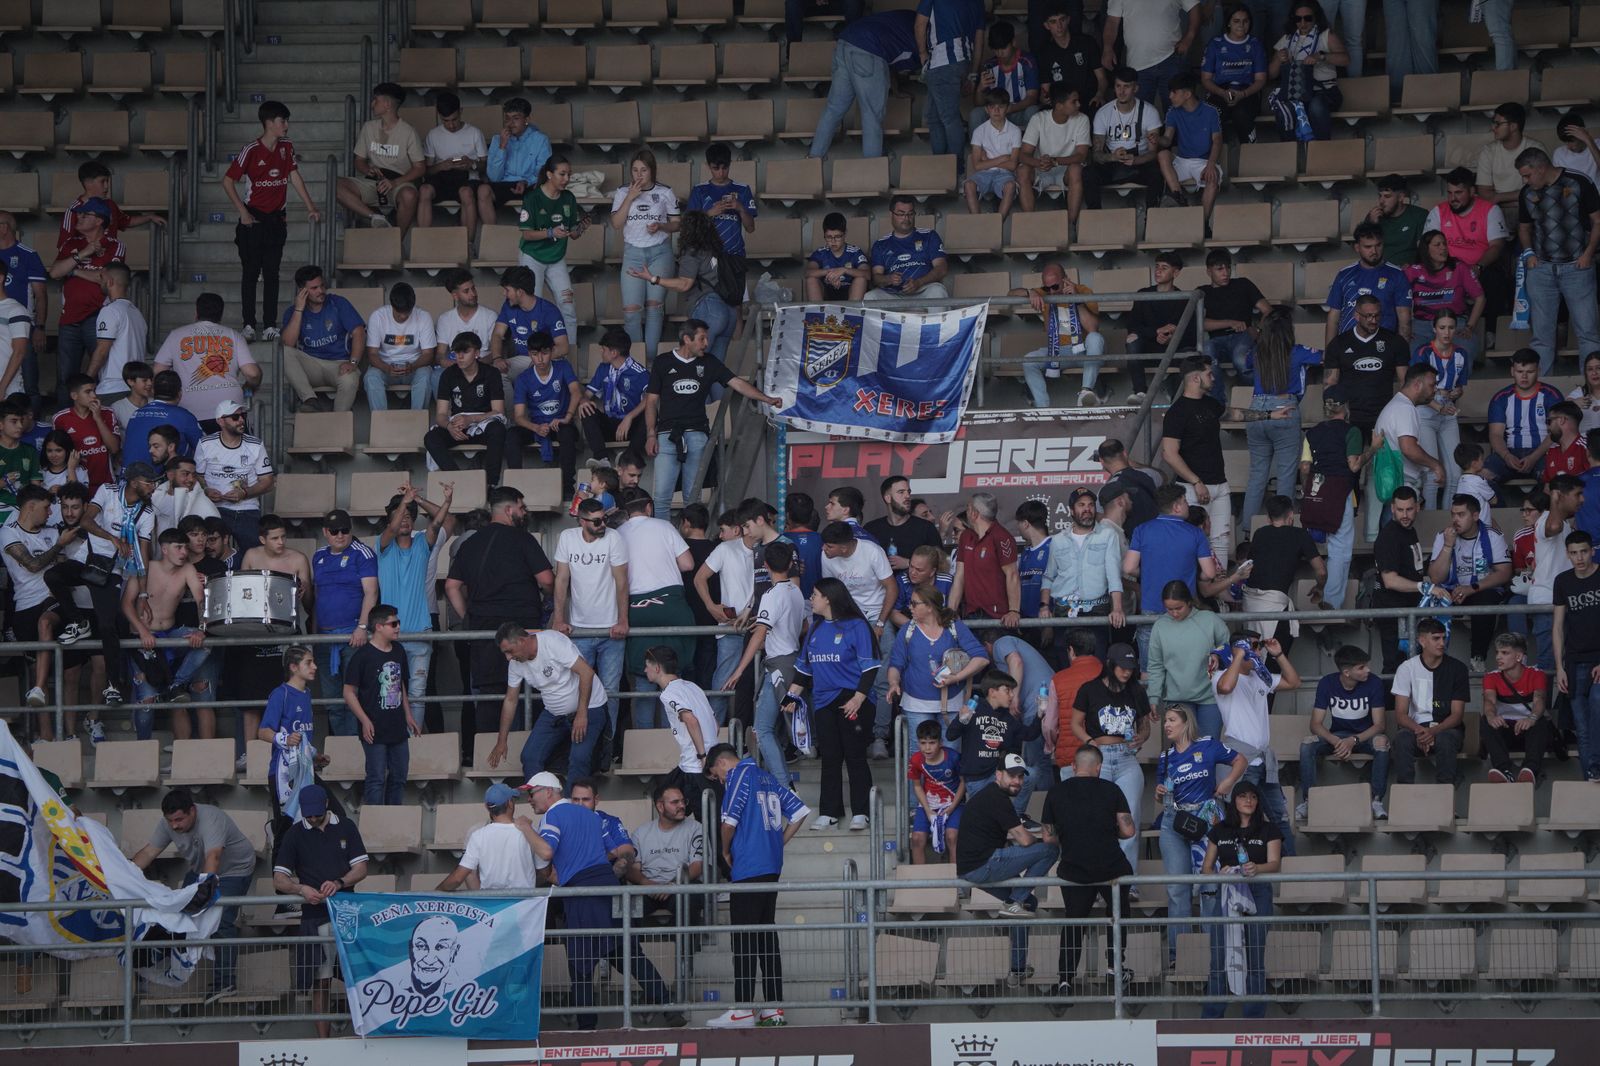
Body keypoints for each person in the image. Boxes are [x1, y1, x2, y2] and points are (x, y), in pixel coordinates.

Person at [518, 771, 682, 1029]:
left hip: (583, 895)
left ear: (548, 792)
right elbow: (611, 852)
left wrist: (525, 827)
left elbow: (547, 851)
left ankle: (586, 1028)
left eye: (532, 792)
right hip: (608, 886)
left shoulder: (552, 816)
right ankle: (670, 1008)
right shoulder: (591, 816)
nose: (529, 799)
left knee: (580, 965)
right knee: (628, 954)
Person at [704, 744, 809, 1029]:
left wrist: (725, 852)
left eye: (718, 775)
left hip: (748, 866)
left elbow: (728, 822)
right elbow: (799, 812)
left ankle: (743, 1009)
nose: (721, 780)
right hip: (771, 865)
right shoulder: (767, 776)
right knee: (765, 935)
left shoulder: (739, 775)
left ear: (723, 764)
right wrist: (778, 843)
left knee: (745, 939)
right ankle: (774, 1008)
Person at [1162, 356, 1292, 569]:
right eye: (1208, 374)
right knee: (1192, 542)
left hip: (1220, 484)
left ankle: (1218, 593)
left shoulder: (1210, 403)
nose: (1213, 378)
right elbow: (1169, 453)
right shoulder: (1177, 412)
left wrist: (1270, 414)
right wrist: (1196, 481)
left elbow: (1234, 414)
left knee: (1221, 542)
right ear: (1195, 378)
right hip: (1191, 488)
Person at [445, 485, 554, 737]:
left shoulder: (470, 544)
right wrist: (549, 601)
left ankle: (490, 762)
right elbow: (547, 580)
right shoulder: (524, 539)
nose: (525, 512)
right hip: (522, 630)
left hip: (485, 632)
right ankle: (527, 757)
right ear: (509, 509)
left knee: (490, 697)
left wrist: (470, 618)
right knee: (529, 692)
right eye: (522, 507)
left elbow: (452, 587)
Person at [645, 319, 781, 518]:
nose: (706, 344)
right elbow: (651, 401)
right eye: (702, 339)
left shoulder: (709, 362)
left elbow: (737, 383)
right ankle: (664, 544)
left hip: (697, 434)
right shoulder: (663, 362)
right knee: (662, 497)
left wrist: (766, 399)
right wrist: (650, 434)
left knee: (693, 498)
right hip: (667, 435)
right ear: (686, 339)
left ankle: (692, 542)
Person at [129, 790, 254, 1001]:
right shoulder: (167, 824)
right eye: (170, 821)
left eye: (179, 819)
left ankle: (225, 983)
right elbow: (149, 852)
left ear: (193, 811)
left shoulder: (212, 818)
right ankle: (164, 971)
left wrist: (205, 890)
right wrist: (125, 875)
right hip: (200, 870)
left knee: (221, 920)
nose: (175, 826)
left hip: (235, 870)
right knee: (174, 917)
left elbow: (213, 856)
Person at [271, 784, 368, 1037]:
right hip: (314, 916)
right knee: (320, 981)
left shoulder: (347, 826)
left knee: (357, 977)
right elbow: (279, 879)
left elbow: (361, 868)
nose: (312, 819)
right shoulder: (294, 834)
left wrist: (339, 882)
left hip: (347, 912)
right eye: (308, 814)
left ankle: (366, 1031)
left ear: (326, 804)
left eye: (316, 813)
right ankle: (323, 1041)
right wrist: (301, 888)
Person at [957, 753, 1060, 983]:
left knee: (1029, 903)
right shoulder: (997, 797)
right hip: (983, 864)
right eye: (1012, 776)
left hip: (972, 867)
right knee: (1051, 850)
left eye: (1021, 777)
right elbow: (1024, 841)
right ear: (998, 775)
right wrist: (1041, 837)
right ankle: (1014, 903)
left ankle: (1017, 970)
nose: (1017, 781)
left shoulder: (994, 796)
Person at [1044, 744, 1138, 995]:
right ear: (1099, 768)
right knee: (1118, 915)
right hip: (1112, 868)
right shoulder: (1112, 789)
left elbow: (1048, 838)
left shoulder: (1056, 792)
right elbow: (1129, 831)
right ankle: (1114, 967)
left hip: (1075, 869)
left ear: (1074, 766)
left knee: (1074, 922)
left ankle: (1065, 980)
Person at [1155, 704, 1245, 967]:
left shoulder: (1207, 744)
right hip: (1175, 821)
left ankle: (1213, 953)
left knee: (1209, 886)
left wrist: (1227, 783)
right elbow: (1159, 796)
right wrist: (1159, 793)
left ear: (1186, 723)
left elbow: (1240, 760)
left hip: (1207, 818)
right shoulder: (1166, 756)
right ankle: (1178, 956)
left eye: (1172, 720)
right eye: (1165, 721)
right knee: (1177, 890)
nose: (1166, 725)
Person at [222, 100, 320, 341]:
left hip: (277, 220)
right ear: (269, 123)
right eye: (282, 121)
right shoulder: (251, 150)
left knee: (272, 274)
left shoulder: (286, 147)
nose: (286, 125)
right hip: (253, 219)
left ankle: (269, 325)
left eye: (286, 121)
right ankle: (248, 324)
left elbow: (294, 176)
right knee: (250, 273)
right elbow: (227, 181)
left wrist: (311, 207)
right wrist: (243, 212)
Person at [789, 577, 879, 830]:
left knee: (855, 755)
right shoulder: (816, 629)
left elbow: (870, 667)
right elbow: (803, 672)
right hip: (823, 702)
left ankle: (862, 811)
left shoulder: (857, 626)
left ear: (828, 597)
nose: (811, 599)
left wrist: (858, 698)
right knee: (830, 757)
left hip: (853, 699)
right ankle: (829, 811)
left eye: (815, 594)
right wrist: (790, 697)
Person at [1198, 781, 1281, 1019]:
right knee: (1218, 958)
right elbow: (1206, 868)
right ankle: (1211, 1019)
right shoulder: (1220, 829)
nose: (1248, 801)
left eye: (1253, 797)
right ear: (1234, 801)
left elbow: (1275, 864)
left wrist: (1257, 868)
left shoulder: (1269, 829)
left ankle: (1253, 1019)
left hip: (1257, 891)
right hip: (1226, 895)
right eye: (1243, 796)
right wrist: (1219, 874)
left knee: (1255, 957)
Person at [552, 495, 630, 746]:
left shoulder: (614, 539)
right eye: (597, 521)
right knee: (576, 692)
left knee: (611, 693)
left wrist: (622, 620)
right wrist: (559, 619)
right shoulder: (567, 538)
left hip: (610, 631)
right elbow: (561, 580)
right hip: (579, 629)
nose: (602, 525)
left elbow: (621, 583)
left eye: (604, 519)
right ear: (582, 521)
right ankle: (577, 746)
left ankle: (606, 748)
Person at [615, 489, 697, 727]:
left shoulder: (618, 534)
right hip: (670, 603)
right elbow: (688, 563)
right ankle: (672, 740)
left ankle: (644, 741)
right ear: (649, 508)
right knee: (671, 676)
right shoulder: (664, 527)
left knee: (643, 680)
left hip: (635, 606)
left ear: (625, 512)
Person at [488, 624, 609, 784]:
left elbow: (587, 672)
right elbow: (510, 700)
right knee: (530, 757)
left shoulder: (552, 642)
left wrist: (581, 714)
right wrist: (501, 741)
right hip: (553, 712)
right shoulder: (515, 664)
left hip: (589, 707)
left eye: (509, 651)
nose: (508, 658)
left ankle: (568, 807)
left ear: (522, 640)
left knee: (578, 759)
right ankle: (542, 803)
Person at [1517, 147, 1600, 376]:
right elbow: (1524, 228)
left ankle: (1592, 390)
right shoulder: (1526, 193)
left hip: (1577, 266)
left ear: (1541, 168)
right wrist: (1529, 254)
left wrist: (1588, 254)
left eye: (1527, 175)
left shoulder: (1578, 182)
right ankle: (1539, 393)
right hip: (1542, 268)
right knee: (1541, 337)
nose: (1524, 180)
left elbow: (1598, 221)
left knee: (1588, 333)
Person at [1069, 642, 1149, 873]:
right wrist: (1090, 742)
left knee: (1129, 817)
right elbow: (1075, 723)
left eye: (1131, 667)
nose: (1127, 671)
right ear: (1110, 665)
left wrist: (1141, 738)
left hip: (1126, 755)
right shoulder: (1090, 689)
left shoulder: (1136, 690)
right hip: (1098, 756)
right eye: (1122, 667)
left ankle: (1126, 878)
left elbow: (1145, 727)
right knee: (1095, 817)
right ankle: (1096, 875)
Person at [1238, 306, 1320, 531]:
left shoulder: (1256, 353)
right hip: (1284, 409)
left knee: (1257, 475)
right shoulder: (1297, 351)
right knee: (1285, 474)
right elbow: (1323, 358)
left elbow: (1244, 362)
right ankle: (1283, 530)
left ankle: (1248, 530)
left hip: (1256, 410)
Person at [122, 529, 210, 735]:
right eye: (178, 547)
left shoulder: (188, 569)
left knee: (206, 644)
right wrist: (143, 632)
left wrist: (201, 629)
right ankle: (143, 749)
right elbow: (126, 604)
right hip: (141, 637)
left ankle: (175, 685)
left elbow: (201, 601)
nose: (183, 552)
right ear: (164, 549)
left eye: (185, 547)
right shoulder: (146, 568)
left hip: (169, 634)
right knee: (147, 699)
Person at [376, 485, 451, 721]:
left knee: (418, 694)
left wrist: (421, 499)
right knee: (391, 694)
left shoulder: (422, 544)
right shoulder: (383, 546)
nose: (405, 520)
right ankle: (396, 744)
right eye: (401, 516)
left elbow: (441, 521)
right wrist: (404, 503)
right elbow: (392, 527)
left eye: (410, 516)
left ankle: (413, 742)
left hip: (420, 632)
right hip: (390, 634)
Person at [1124, 486, 1219, 662]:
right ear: (1176, 506)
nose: (1187, 506)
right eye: (1185, 502)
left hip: (1150, 608)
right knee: (1184, 666)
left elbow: (1129, 568)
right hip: (1183, 610)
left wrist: (1150, 572)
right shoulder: (1195, 533)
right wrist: (1195, 575)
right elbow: (1209, 573)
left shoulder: (1142, 530)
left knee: (1149, 671)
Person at [808, 9, 918, 160]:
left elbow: (888, 60)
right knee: (872, 114)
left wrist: (896, 89)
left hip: (844, 42)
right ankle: (872, 174)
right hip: (868, 49)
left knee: (833, 108)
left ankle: (813, 160)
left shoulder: (908, 18)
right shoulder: (925, 35)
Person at [633, 210, 740, 364]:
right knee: (716, 371)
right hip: (729, 311)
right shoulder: (717, 251)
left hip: (709, 308)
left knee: (693, 366)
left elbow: (684, 284)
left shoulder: (692, 252)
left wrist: (654, 278)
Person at [1297, 644, 1389, 820]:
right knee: (1307, 744)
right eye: (1361, 667)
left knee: (1382, 743)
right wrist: (1335, 741)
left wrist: (1353, 740)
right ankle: (1309, 801)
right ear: (1347, 672)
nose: (1368, 670)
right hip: (1338, 736)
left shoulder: (1374, 682)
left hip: (1365, 736)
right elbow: (1315, 724)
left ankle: (1376, 801)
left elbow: (1379, 725)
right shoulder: (1327, 683)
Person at [48, 199, 126, 406]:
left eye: (85, 214)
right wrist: (83, 254)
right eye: (79, 214)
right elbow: (55, 272)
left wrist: (73, 270)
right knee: (65, 376)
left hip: (98, 317)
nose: (79, 218)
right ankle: (65, 421)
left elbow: (108, 278)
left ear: (100, 220)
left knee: (99, 374)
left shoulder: (114, 245)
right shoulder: (71, 243)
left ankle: (98, 419)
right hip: (69, 318)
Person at [1427, 494, 1512, 671]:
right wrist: (1448, 547)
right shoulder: (1444, 536)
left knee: (1486, 600)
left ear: (1475, 516)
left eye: (1461, 514)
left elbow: (1504, 573)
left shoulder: (1492, 536)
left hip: (1479, 590)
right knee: (1432, 600)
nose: (1455, 519)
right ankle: (1433, 663)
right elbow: (1436, 578)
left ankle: (1477, 658)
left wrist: (1471, 588)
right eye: (1453, 514)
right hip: (1450, 590)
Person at [342, 603, 416, 804]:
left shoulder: (399, 650)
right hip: (373, 728)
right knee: (376, 779)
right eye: (393, 624)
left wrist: (408, 715)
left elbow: (401, 684)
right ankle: (374, 826)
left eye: (398, 623)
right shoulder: (362, 656)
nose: (398, 627)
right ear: (379, 627)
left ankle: (392, 822)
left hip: (398, 726)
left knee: (399, 777)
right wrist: (365, 721)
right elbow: (348, 692)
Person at [257, 645, 328, 853]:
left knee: (331, 812)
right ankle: (280, 881)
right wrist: (285, 738)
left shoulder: (306, 694)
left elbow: (302, 738)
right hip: (283, 772)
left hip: (305, 770)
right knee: (286, 829)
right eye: (309, 662)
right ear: (294, 667)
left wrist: (316, 756)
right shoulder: (281, 694)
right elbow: (263, 732)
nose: (314, 666)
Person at [1039, 488, 1124, 658]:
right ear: (1071, 510)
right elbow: (1049, 577)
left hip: (1097, 611)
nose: (1087, 509)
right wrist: (1044, 607)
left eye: (1091, 505)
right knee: (1065, 667)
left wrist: (1118, 609)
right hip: (1064, 612)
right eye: (1081, 505)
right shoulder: (1057, 540)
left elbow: (1114, 575)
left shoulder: (1108, 535)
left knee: (1096, 664)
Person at [153, 295, 261, 428]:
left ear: (196, 313)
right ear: (221, 315)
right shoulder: (233, 335)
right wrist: (249, 387)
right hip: (229, 410)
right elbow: (253, 374)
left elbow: (158, 371)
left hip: (189, 408)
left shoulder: (176, 335)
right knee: (232, 448)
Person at [611, 149, 679, 359]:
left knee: (654, 308)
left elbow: (676, 225)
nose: (639, 175)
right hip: (632, 252)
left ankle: (650, 361)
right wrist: (630, 197)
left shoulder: (665, 192)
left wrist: (660, 226)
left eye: (644, 170)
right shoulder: (623, 191)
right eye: (635, 170)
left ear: (652, 171)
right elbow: (615, 223)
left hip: (659, 251)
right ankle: (636, 361)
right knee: (631, 311)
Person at [1009, 262, 1104, 407]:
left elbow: (1092, 328)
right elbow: (1010, 294)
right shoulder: (1044, 293)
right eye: (1048, 288)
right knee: (1029, 360)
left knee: (1095, 338)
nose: (1052, 292)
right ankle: (1043, 408)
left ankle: (1086, 393)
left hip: (1084, 351)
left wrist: (1076, 300)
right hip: (1058, 352)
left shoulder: (1083, 291)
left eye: (1055, 286)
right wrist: (1030, 292)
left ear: (1065, 279)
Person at [335, 82, 424, 233]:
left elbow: (420, 168)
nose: (372, 104)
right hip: (374, 181)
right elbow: (359, 160)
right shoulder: (369, 127)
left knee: (410, 195)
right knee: (335, 185)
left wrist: (394, 183)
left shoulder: (408, 131)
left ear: (387, 104)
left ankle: (397, 240)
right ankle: (376, 217)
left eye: (376, 100)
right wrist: (368, 169)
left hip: (399, 182)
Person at [1391, 617, 1471, 786]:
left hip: (1447, 728)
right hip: (1416, 729)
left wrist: (1433, 732)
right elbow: (1400, 715)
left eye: (1444, 638)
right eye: (1436, 638)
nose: (1442, 643)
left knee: (1446, 739)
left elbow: (1457, 715)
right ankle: (1405, 796)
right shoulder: (1406, 668)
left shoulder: (1458, 669)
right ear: (1422, 641)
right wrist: (1422, 731)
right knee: (1402, 739)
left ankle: (1445, 800)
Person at [1147, 581, 1231, 738]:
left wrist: (1218, 654)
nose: (1174, 613)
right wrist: (1153, 697)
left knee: (1208, 747)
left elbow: (1229, 647)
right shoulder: (1160, 626)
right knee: (1183, 750)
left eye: (1178, 608)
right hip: (1176, 699)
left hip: (1210, 697)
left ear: (1189, 602)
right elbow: (1155, 666)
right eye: (1169, 609)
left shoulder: (1209, 619)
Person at [643, 645, 720, 815]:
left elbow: (690, 720)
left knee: (671, 808)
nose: (644, 670)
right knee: (662, 798)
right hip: (705, 760)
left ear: (657, 668)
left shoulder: (668, 693)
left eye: (647, 666)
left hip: (696, 766)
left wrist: (702, 756)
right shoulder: (693, 686)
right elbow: (715, 724)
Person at [1241, 496, 1324, 652]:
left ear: (1268, 518)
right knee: (1276, 659)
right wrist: (1320, 587)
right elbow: (1321, 571)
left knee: (1254, 655)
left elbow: (1249, 565)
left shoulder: (1259, 533)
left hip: (1251, 605)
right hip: (1275, 606)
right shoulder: (1300, 535)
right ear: (1291, 516)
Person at [279, 265, 365, 413]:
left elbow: (359, 332)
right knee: (283, 352)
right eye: (314, 288)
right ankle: (310, 400)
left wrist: (353, 362)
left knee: (350, 380)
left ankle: (338, 421)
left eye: (322, 286)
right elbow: (288, 343)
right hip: (311, 365)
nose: (321, 291)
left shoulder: (338, 303)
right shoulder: (292, 312)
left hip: (339, 364)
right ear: (302, 291)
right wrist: (299, 309)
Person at [424, 331, 506, 481]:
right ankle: (458, 479)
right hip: (458, 427)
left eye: (465, 352)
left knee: (498, 429)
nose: (459, 357)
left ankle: (491, 484)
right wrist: (449, 426)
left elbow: (498, 412)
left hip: (483, 424)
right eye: (456, 352)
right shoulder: (448, 374)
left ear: (477, 353)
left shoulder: (491, 373)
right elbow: (441, 414)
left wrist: (471, 419)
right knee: (431, 437)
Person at [508, 330, 581, 496]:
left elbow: (576, 392)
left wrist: (567, 417)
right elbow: (518, 416)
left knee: (568, 433)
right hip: (537, 425)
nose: (540, 359)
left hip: (560, 422)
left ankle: (568, 486)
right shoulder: (524, 378)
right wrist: (535, 428)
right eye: (534, 354)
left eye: (544, 353)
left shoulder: (563, 367)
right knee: (512, 435)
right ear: (529, 354)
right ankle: (514, 488)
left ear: (552, 351)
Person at [1374, 361, 1445, 530]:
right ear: (1417, 384)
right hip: (1401, 486)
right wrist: (1436, 465)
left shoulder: (1397, 405)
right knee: (1394, 543)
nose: (1435, 389)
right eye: (1432, 384)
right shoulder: (1404, 409)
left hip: (1395, 484)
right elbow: (1408, 448)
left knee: (1392, 541)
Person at [915, 0, 987, 166]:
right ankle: (942, 165)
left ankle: (956, 167)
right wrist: (973, 74)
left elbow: (920, 24)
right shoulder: (977, 2)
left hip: (941, 61)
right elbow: (979, 40)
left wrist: (922, 54)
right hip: (964, 62)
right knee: (934, 118)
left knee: (949, 118)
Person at [435, 783, 543, 892]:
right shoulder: (530, 831)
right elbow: (544, 871)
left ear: (487, 807)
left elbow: (458, 879)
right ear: (510, 803)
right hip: (525, 905)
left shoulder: (478, 835)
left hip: (491, 906)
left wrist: (434, 893)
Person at [417, 92, 495, 244]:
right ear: (439, 116)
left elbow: (485, 166)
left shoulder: (474, 132)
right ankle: (422, 242)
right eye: (446, 121)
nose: (451, 125)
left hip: (467, 178)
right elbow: (427, 170)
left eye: (454, 119)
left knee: (466, 193)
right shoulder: (433, 135)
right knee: (424, 190)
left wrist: (471, 164)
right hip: (442, 178)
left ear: (461, 112)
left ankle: (468, 245)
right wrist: (441, 166)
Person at [1554, 530, 1600, 782]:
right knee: (1581, 727)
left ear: (1592, 550)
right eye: (1574, 553)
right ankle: (1591, 778)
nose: (1579, 557)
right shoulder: (1562, 581)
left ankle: (1597, 766)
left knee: (1597, 704)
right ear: (1568, 555)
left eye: (1584, 551)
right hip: (1574, 662)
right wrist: (1560, 667)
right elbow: (1557, 627)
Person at [1479, 632, 1553, 785]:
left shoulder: (1536, 674)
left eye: (1505, 653)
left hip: (1529, 731)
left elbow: (1539, 701)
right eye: (1497, 652)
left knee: (1539, 722)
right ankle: (1504, 771)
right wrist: (1491, 716)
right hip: (1506, 731)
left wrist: (1531, 719)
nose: (1498, 657)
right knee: (1486, 720)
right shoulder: (1491, 676)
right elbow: (1489, 702)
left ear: (1519, 657)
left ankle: (1530, 771)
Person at [1199, 249, 1272, 403]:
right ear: (1208, 271)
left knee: (1241, 359)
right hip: (1217, 340)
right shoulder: (1202, 292)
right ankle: (1218, 405)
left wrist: (1258, 330)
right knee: (1207, 355)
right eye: (1220, 269)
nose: (1225, 273)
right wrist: (1231, 323)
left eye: (1228, 268)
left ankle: (1257, 400)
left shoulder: (1243, 284)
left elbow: (1267, 310)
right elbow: (1201, 323)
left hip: (1242, 336)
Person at [1266, 1, 1346, 141]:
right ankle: (1290, 153)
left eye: (1307, 18)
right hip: (1296, 94)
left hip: (1324, 90)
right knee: (1285, 111)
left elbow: (1345, 59)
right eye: (1298, 19)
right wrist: (1278, 59)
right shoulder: (1287, 39)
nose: (1303, 22)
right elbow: (1271, 74)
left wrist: (1321, 56)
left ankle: (1320, 152)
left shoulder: (1326, 35)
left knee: (1316, 106)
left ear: (1316, 17)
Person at [628, 782, 706, 924]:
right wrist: (649, 885)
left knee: (690, 900)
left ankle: (685, 946)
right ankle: (635, 946)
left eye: (683, 801)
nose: (682, 806)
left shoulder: (696, 828)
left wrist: (672, 885)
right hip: (649, 888)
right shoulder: (641, 832)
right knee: (627, 905)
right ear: (660, 806)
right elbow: (633, 870)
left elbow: (696, 866)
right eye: (675, 802)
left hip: (681, 887)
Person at [1324, 223, 1412, 346]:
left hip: (1384, 348)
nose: (1374, 251)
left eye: (1378, 245)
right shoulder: (1344, 275)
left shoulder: (1397, 275)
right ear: (1357, 247)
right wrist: (1329, 353)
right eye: (1368, 246)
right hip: (1349, 348)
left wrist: (1403, 356)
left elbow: (1405, 320)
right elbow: (1333, 318)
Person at [1102, 0, 1200, 111]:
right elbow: (1112, 21)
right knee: (1139, 114)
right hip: (1138, 62)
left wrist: (1189, 38)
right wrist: (1107, 48)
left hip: (1172, 57)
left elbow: (1194, 7)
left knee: (1178, 112)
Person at [1091, 67, 1164, 210]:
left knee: (1156, 172)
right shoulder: (1103, 113)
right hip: (1112, 163)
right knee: (1089, 173)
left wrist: (1135, 160)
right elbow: (1096, 154)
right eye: (1118, 86)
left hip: (1139, 162)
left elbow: (1153, 152)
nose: (1121, 91)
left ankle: (1151, 217)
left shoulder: (1149, 111)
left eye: (1127, 86)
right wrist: (1112, 157)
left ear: (1135, 88)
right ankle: (1095, 216)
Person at [1486, 348, 1564, 484]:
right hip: (1510, 452)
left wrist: (1534, 457)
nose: (1524, 377)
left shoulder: (1552, 395)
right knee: (1482, 477)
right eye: (1520, 372)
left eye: (1530, 372)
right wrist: (1506, 456)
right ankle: (1498, 504)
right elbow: (1495, 434)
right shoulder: (1501, 398)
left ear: (1538, 371)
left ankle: (1535, 504)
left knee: (1554, 481)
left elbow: (1556, 432)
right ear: (1512, 371)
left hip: (1543, 453)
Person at [1156, 72, 1224, 219]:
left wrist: (1211, 165)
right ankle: (1178, 196)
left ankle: (1203, 224)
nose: (1170, 96)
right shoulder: (1173, 112)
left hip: (1204, 162)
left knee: (1213, 179)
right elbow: (1167, 140)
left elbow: (1217, 141)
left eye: (1174, 92)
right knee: (1162, 154)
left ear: (1187, 94)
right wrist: (1157, 139)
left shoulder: (1210, 112)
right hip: (1182, 160)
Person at [949, 491, 1022, 625]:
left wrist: (1014, 611)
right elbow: (959, 576)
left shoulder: (1002, 537)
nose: (966, 512)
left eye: (968, 508)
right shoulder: (966, 537)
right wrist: (951, 610)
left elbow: (1012, 574)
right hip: (970, 613)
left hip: (997, 616)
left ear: (974, 513)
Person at [363, 282, 436, 412]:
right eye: (399, 313)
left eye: (407, 313)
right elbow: (372, 354)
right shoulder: (378, 316)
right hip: (385, 367)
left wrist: (412, 366)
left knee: (425, 376)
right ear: (391, 305)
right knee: (371, 377)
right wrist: (386, 368)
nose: (403, 317)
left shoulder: (424, 316)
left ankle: (418, 421)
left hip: (415, 366)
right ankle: (380, 423)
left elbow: (428, 354)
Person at [577, 327, 648, 460]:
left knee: (650, 412)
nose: (601, 352)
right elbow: (586, 395)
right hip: (610, 423)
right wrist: (584, 401)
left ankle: (631, 458)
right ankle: (601, 459)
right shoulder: (603, 368)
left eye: (603, 349)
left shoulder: (639, 372)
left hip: (631, 426)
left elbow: (650, 398)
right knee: (587, 410)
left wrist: (629, 417)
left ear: (614, 352)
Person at [1201, 5, 1268, 145]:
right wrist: (1223, 93)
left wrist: (1242, 94)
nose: (1241, 25)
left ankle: (1250, 153)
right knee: (1212, 115)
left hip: (1247, 92)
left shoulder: (1255, 45)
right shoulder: (1215, 44)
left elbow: (1261, 80)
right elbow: (1206, 79)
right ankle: (1216, 158)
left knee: (1241, 115)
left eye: (1245, 21)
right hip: (1219, 91)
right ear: (1228, 23)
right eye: (1236, 21)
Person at [0, 212, 48, 404]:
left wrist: (40, 327)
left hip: (22, 326)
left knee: (28, 382)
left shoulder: (27, 255)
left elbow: (41, 295)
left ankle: (32, 428)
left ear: (5, 227)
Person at [867, 195, 950, 301]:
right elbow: (876, 277)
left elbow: (942, 268)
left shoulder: (929, 236)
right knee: (870, 297)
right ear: (891, 214)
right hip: (893, 294)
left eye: (910, 214)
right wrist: (888, 279)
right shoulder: (881, 244)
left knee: (938, 291)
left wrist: (919, 282)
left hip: (924, 289)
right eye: (901, 214)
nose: (906, 218)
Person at [432, 269, 500, 398]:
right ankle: (446, 416)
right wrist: (457, 365)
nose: (473, 294)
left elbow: (496, 353)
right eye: (466, 291)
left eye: (473, 288)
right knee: (436, 376)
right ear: (455, 295)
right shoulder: (445, 319)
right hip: (456, 365)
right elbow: (439, 355)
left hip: (482, 365)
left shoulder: (490, 316)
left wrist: (475, 364)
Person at [88, 264, 146, 407]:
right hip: (134, 388)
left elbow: (102, 350)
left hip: (113, 388)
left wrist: (86, 382)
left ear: (110, 281)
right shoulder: (137, 313)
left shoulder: (111, 311)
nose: (99, 282)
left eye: (102, 278)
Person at [50, 374, 119, 492]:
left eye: (94, 391)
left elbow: (114, 449)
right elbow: (58, 454)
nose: (94, 396)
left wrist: (97, 418)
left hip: (106, 483)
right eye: (88, 392)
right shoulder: (60, 418)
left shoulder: (107, 413)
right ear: (74, 396)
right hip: (76, 482)